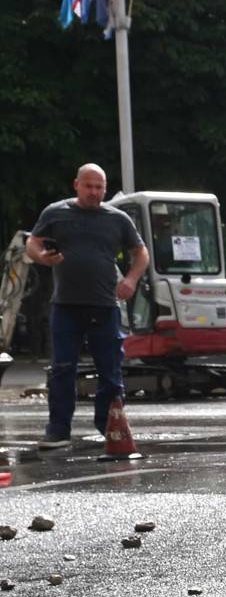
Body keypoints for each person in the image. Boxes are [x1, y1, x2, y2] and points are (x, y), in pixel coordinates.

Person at [23, 163, 149, 450]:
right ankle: (58, 431)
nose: (94, 192)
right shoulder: (56, 212)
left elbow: (140, 252)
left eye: (99, 187)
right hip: (65, 306)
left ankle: (109, 427)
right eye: (88, 186)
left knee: (110, 371)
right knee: (62, 369)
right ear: (76, 185)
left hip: (105, 305)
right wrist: (42, 256)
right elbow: (32, 242)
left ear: (105, 189)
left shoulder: (117, 219)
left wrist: (130, 280)